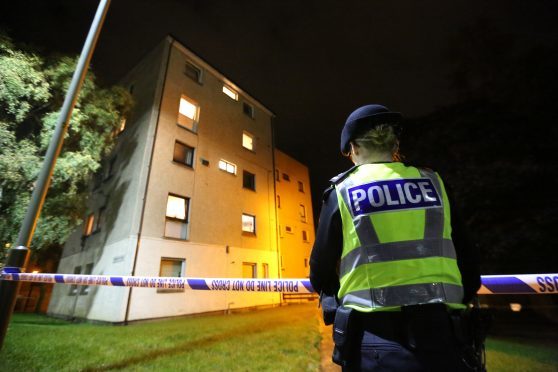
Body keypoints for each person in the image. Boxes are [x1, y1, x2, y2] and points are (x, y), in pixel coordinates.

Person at [309, 104, 482, 371]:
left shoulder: (342, 191)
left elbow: (319, 272)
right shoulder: (434, 182)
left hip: (375, 342)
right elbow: (468, 260)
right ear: (395, 144)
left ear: (353, 148)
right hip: (444, 338)